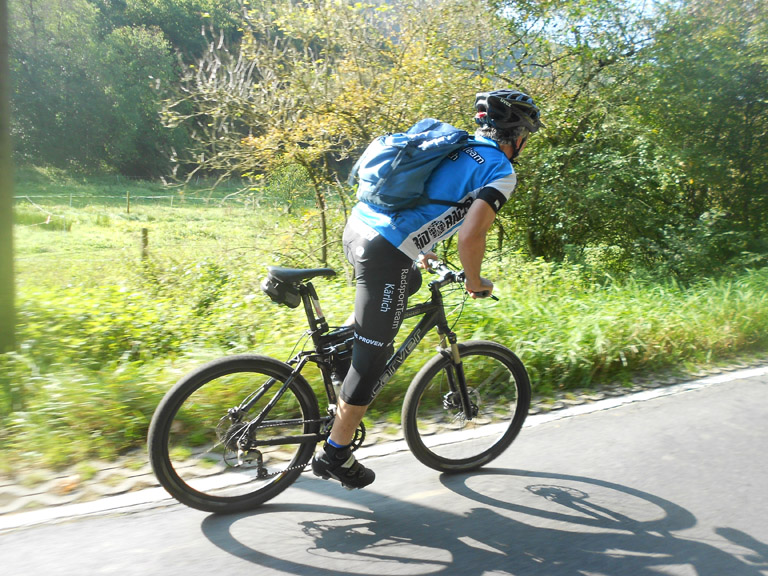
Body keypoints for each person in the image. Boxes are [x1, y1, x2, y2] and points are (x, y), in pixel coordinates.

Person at [311, 89, 542, 489]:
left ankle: (345, 348)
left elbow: (425, 200)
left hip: (359, 228)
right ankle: (336, 452)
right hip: (383, 250)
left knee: (410, 280)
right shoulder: (500, 170)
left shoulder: (458, 146)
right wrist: (474, 281)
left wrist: (422, 248)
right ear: (518, 136)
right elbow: (471, 235)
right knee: (373, 359)